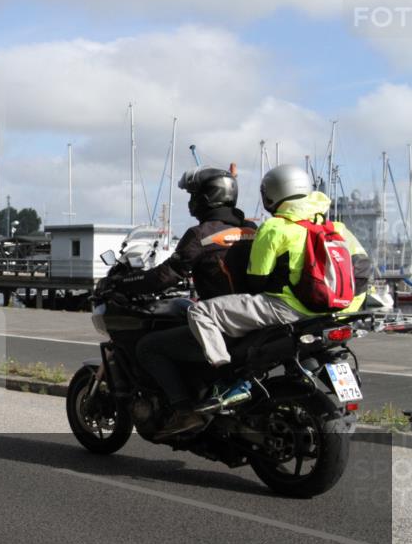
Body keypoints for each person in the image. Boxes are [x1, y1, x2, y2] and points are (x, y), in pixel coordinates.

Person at [111, 167, 257, 438]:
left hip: (223, 324)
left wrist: (126, 283)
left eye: (194, 195)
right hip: (256, 319)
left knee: (148, 347)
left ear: (206, 198)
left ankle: (183, 410)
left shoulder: (201, 234)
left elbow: (165, 276)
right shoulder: (251, 230)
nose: (191, 202)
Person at [188, 164, 370, 370]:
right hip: (336, 312)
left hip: (289, 309)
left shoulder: (275, 227)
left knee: (200, 312)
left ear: (271, 194)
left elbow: (257, 278)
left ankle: (224, 371)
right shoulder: (336, 228)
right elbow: (363, 269)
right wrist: (342, 307)